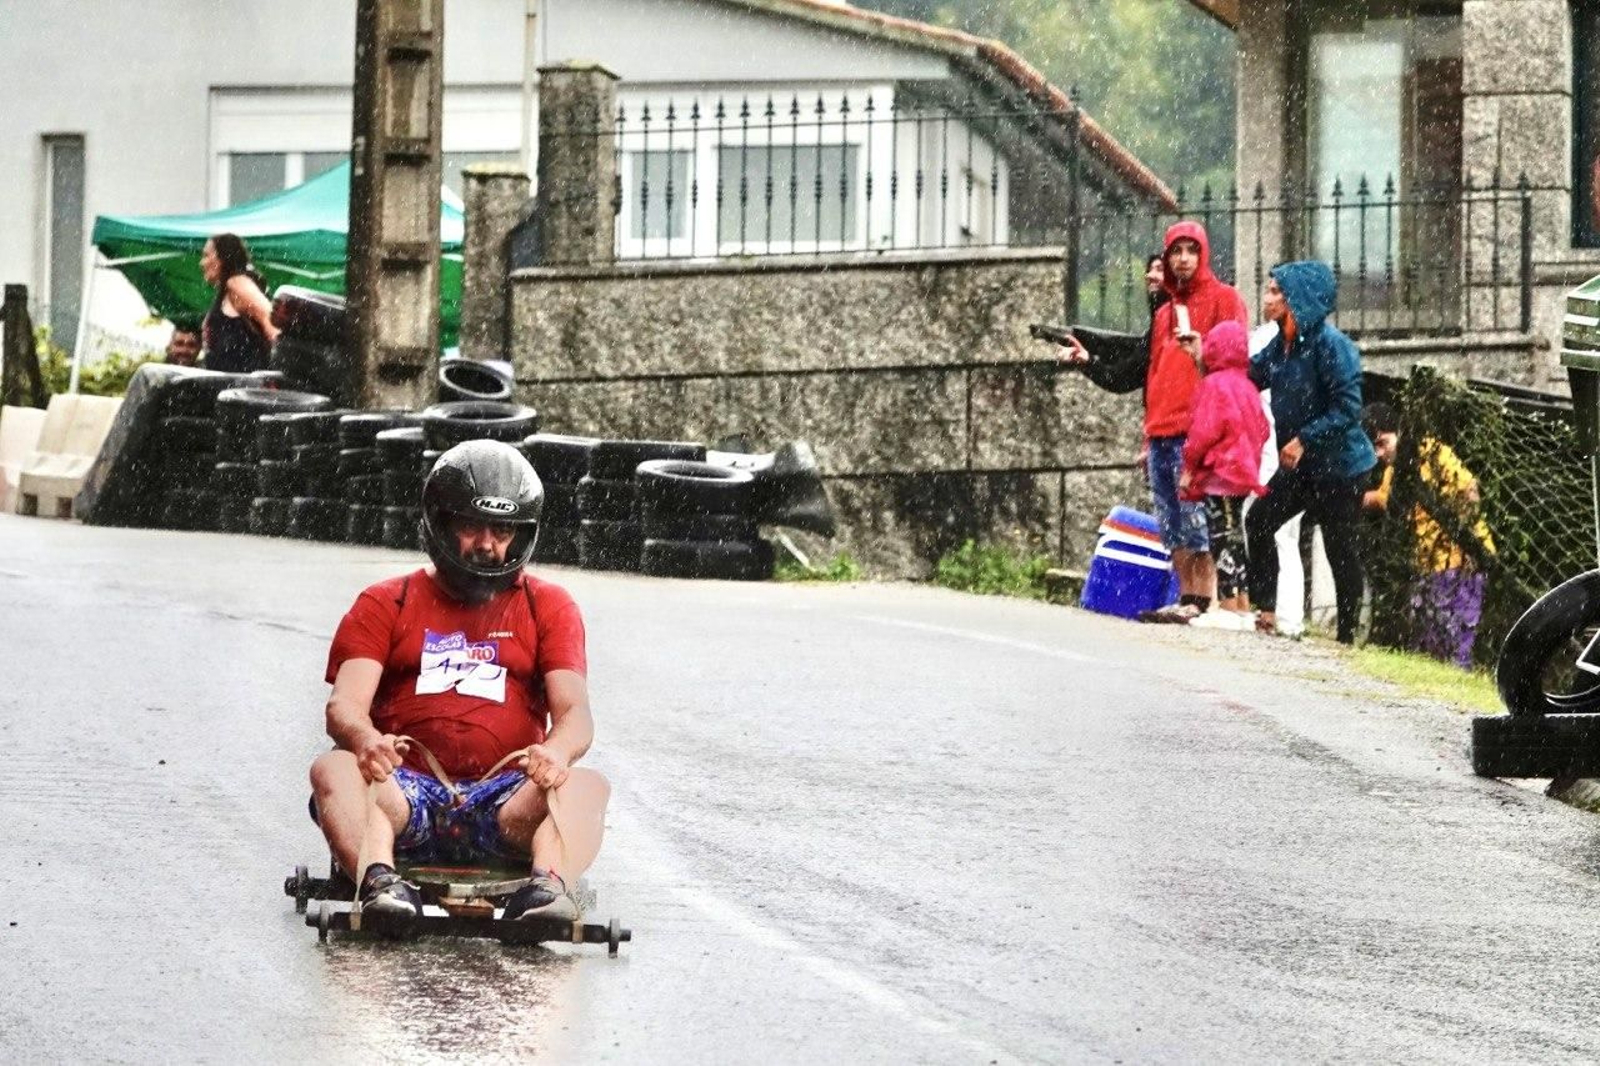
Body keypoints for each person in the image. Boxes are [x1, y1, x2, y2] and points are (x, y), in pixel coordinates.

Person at [307, 440, 609, 926]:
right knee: (333, 769)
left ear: (521, 534)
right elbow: (344, 705)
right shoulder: (388, 601)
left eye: (502, 530)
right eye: (471, 526)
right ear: (440, 524)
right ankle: (382, 884)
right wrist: (366, 743)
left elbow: (574, 712)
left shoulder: (547, 605)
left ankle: (547, 889)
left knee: (587, 785)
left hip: (507, 801)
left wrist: (556, 752)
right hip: (407, 793)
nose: (487, 545)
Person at [1064, 223, 1249, 623]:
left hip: (1197, 429)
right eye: (1176, 251)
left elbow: (1234, 363)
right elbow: (1142, 374)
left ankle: (1207, 601)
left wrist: (1202, 353)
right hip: (1161, 430)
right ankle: (1187, 598)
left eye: (1190, 250)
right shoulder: (1164, 313)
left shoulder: (1223, 298)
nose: (1183, 258)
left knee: (1199, 521)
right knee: (1171, 524)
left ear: (1203, 255)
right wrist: (1089, 363)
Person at [1245, 262, 1377, 644]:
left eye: (1275, 293)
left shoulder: (1334, 347)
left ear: (1297, 301)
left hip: (1340, 467)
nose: (1267, 299)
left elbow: (1348, 408)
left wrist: (1304, 438)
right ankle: (1266, 610)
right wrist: (1206, 358)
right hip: (1301, 467)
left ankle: (1348, 637)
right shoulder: (1282, 345)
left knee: (1340, 548)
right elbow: (1252, 374)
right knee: (1260, 519)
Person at [1361, 402, 1496, 666]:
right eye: (1373, 447)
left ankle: (1457, 681)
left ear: (1399, 432)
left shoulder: (1432, 452)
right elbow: (1384, 499)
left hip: (1460, 560)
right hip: (1429, 563)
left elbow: (1470, 488)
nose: (1379, 453)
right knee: (1431, 635)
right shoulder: (1394, 472)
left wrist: (1462, 533)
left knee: (1457, 630)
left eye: (1382, 443)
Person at [1176, 320, 1270, 623]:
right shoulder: (1247, 386)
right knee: (1235, 537)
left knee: (1221, 539)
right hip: (1243, 473)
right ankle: (1241, 603)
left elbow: (1202, 432)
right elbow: (1263, 429)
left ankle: (1230, 606)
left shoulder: (1214, 386)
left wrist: (1189, 467)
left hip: (1220, 475)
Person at [199, 232, 277, 373]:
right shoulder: (225, 292)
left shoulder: (237, 284)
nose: (202, 263)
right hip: (229, 387)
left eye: (206, 256)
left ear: (222, 258)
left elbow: (271, 321)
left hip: (247, 387)